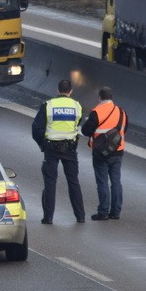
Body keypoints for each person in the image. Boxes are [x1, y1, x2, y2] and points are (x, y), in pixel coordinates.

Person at [31, 79, 86, 224]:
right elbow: (77, 123)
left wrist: (43, 144)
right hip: (70, 148)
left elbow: (36, 129)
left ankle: (48, 218)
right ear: (71, 91)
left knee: (50, 182)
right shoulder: (77, 106)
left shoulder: (48, 105)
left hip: (51, 148)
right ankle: (80, 216)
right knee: (73, 181)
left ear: (57, 90)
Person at [81, 86, 128, 221]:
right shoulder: (121, 112)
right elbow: (125, 129)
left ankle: (103, 212)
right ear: (111, 97)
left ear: (99, 97)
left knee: (102, 182)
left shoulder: (96, 112)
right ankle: (116, 212)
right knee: (116, 182)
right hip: (118, 151)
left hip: (100, 153)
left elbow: (86, 131)